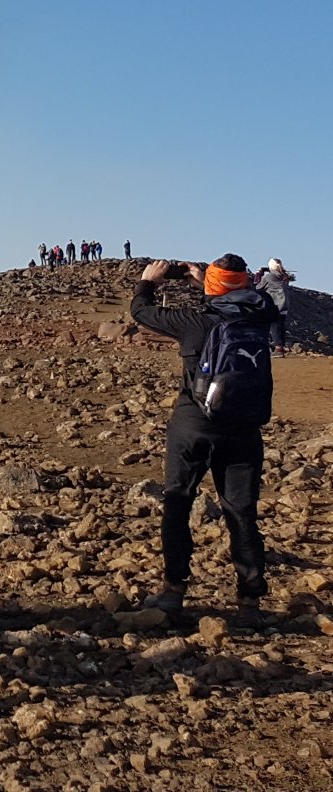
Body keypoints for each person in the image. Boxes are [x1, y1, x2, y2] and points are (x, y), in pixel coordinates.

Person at [131, 257, 280, 613]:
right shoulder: (260, 316)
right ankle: (249, 598)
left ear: (212, 285)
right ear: (243, 283)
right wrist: (210, 287)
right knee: (241, 511)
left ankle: (173, 589)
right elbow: (246, 302)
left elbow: (141, 312)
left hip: (193, 425)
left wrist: (148, 282)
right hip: (244, 429)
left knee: (178, 502)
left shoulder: (193, 323)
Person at [256, 259, 296, 354]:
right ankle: (281, 346)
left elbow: (257, 287)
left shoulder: (269, 277)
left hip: (275, 304)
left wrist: (259, 274)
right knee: (281, 326)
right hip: (284, 304)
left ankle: (278, 348)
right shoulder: (284, 276)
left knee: (275, 326)